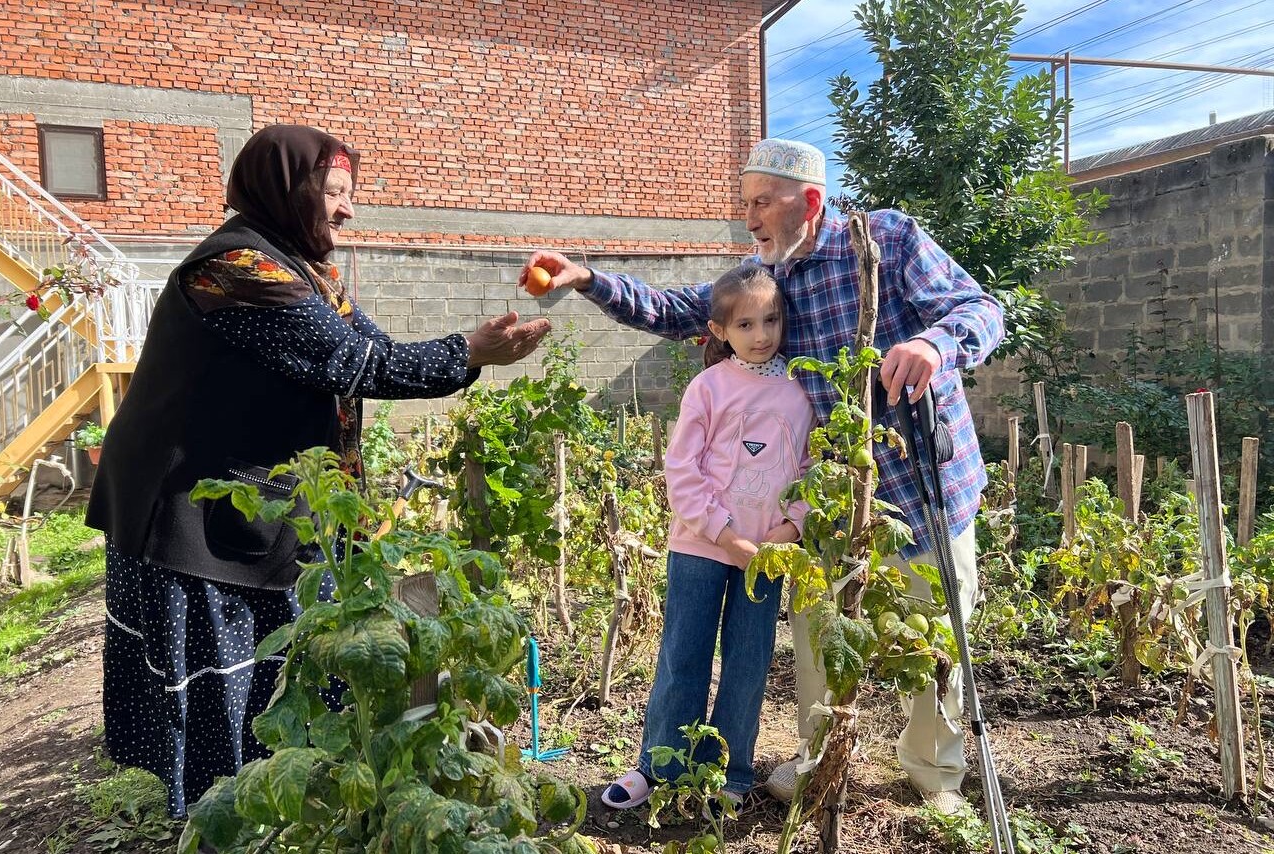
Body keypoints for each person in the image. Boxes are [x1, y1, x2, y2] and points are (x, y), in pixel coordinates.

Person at [521, 138, 1004, 814]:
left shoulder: (887, 240)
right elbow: (678, 310)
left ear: (807, 201)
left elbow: (981, 308)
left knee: (933, 639)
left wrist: (933, 344)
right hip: (829, 498)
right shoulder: (763, 279)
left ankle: (934, 776)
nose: (747, 217)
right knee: (817, 641)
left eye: (758, 202)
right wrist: (587, 279)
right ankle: (816, 761)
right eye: (743, 202)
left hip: (919, 484)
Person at [85, 124, 551, 817]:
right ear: (288, 190)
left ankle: (284, 801)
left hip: (251, 502)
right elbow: (356, 366)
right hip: (192, 514)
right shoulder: (238, 269)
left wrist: (474, 354)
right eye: (334, 192)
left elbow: (378, 350)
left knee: (291, 658)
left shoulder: (305, 272)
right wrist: (470, 352)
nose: (347, 209)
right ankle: (227, 818)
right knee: (228, 696)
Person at [599, 264, 814, 814]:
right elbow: (683, 471)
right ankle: (662, 767)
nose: (762, 334)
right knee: (683, 656)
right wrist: (726, 536)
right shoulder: (709, 387)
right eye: (746, 324)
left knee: (748, 661)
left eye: (772, 320)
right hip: (700, 547)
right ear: (719, 331)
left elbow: (812, 469)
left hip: (766, 555)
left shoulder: (800, 392)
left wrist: (791, 528)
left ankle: (731, 773)